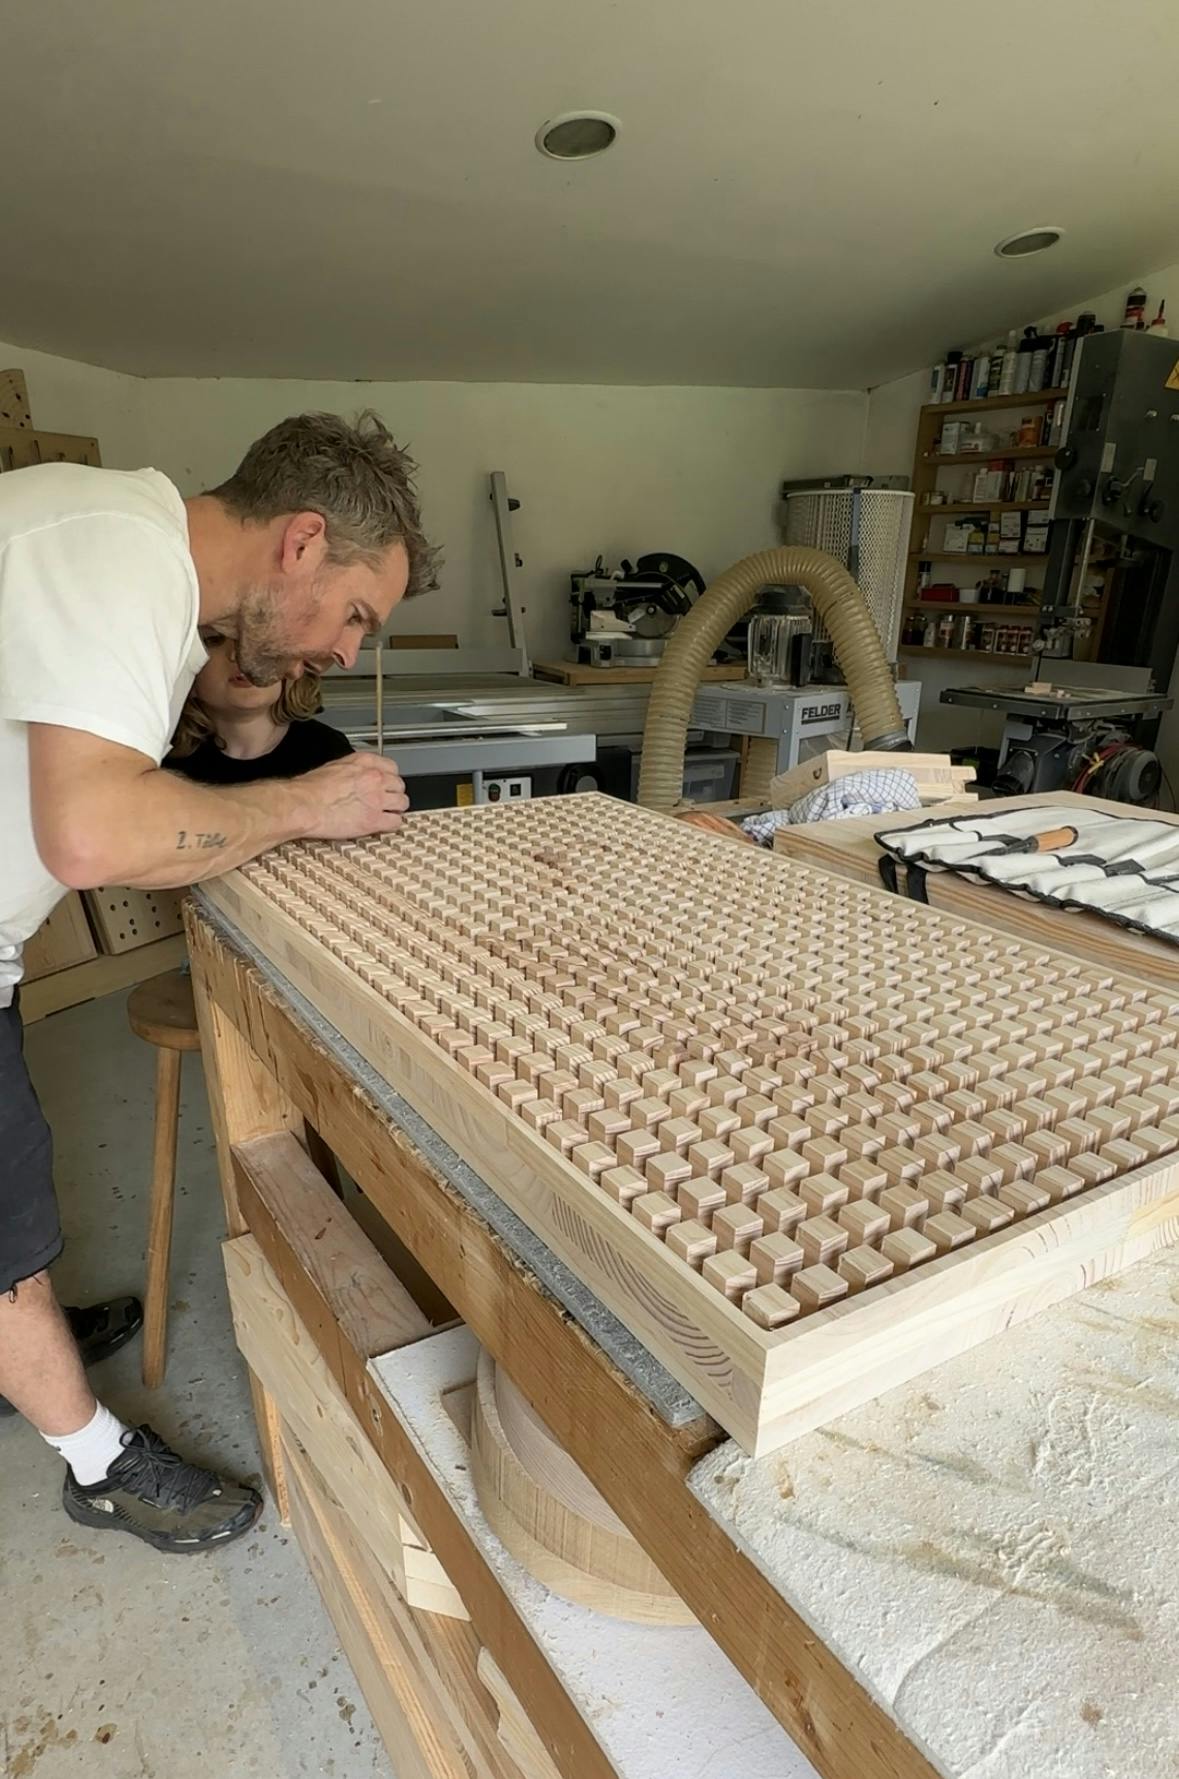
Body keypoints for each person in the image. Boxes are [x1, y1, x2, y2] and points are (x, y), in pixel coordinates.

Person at [0, 410, 435, 1552]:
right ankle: (94, 1466)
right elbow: (93, 839)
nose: (345, 655)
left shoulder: (127, 558)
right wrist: (305, 804)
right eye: (355, 614)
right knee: (3, 1217)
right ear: (300, 542)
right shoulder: (114, 552)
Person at [166, 640, 353, 784]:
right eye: (215, 638)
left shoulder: (330, 753)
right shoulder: (162, 763)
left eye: (257, 636)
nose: (240, 653)